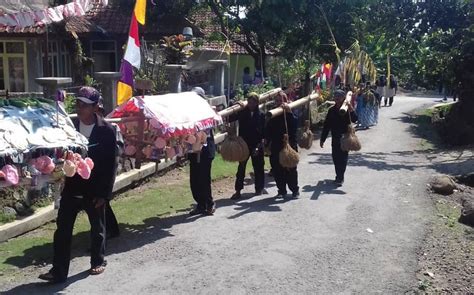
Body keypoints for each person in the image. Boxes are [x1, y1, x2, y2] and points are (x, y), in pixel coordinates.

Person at [39, 86, 117, 283]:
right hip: (72, 188)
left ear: (95, 107)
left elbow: (111, 164)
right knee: (63, 230)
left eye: (85, 105)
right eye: (78, 104)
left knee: (97, 228)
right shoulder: (68, 127)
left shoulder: (107, 130)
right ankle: (58, 271)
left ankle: (98, 261)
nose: (80, 108)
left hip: (95, 189)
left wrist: (104, 194)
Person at [229, 92, 265, 200]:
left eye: (253, 102)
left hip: (257, 144)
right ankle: (238, 190)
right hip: (244, 145)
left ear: (257, 103)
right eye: (249, 102)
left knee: (258, 167)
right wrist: (234, 106)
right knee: (241, 168)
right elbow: (231, 118)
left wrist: (260, 145)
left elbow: (264, 131)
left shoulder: (262, 114)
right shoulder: (243, 112)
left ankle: (259, 188)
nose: (251, 104)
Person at [265, 92, 299, 198]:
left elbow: (295, 127)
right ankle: (282, 190)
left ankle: (294, 190)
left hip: (289, 145)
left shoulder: (291, 111)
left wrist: (289, 113)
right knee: (276, 169)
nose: (279, 103)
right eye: (277, 101)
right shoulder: (273, 114)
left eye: (281, 100)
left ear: (286, 100)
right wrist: (266, 140)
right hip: (276, 145)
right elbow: (268, 130)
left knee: (291, 169)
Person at [320, 89, 357, 186]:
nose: (336, 98)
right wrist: (322, 139)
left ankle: (340, 177)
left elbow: (355, 119)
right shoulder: (331, 110)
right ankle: (338, 175)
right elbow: (326, 125)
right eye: (335, 96)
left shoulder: (347, 108)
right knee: (335, 158)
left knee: (343, 158)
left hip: (345, 137)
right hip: (335, 138)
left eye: (339, 97)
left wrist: (351, 109)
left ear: (343, 98)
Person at [188, 87, 216, 216]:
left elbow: (207, 131)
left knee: (204, 178)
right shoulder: (189, 112)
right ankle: (200, 204)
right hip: (194, 150)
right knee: (194, 179)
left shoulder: (208, 111)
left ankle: (209, 203)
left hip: (205, 150)